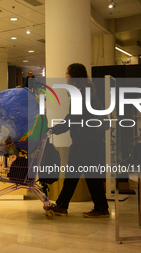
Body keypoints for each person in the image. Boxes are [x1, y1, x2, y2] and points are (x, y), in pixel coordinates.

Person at [49, 63, 109, 218]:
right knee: (72, 175)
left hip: (85, 141)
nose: (65, 76)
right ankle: (62, 205)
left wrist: (53, 130)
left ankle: (101, 208)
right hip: (84, 140)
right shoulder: (86, 92)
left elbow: (72, 119)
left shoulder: (81, 94)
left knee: (89, 176)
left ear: (74, 76)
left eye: (67, 73)